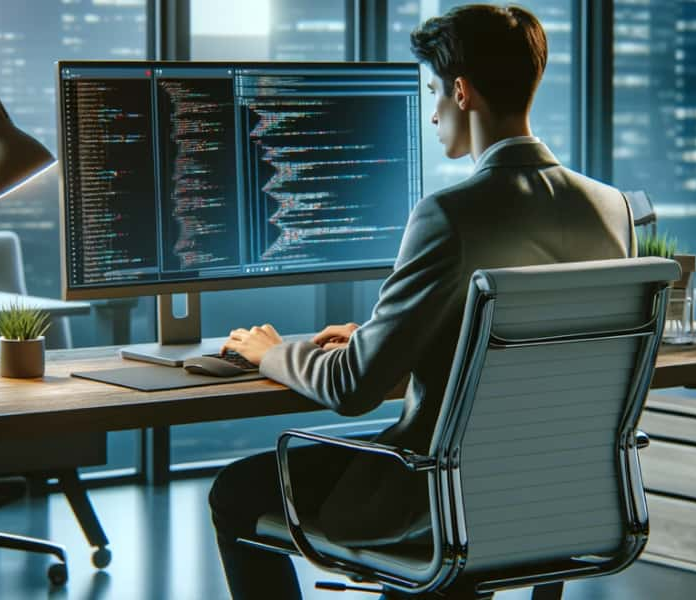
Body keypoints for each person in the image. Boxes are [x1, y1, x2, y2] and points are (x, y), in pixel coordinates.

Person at [209, 4, 637, 599]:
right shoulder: (610, 208)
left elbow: (355, 388)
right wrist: (397, 333)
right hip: (554, 494)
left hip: (437, 497)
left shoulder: (450, 214)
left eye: (434, 90)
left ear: (462, 92)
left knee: (236, 491)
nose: (432, 111)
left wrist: (273, 353)